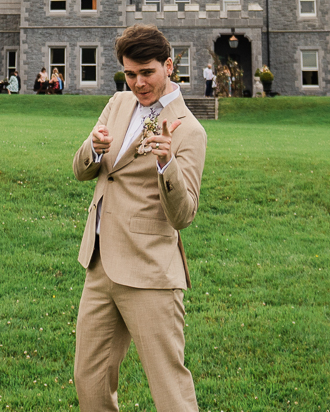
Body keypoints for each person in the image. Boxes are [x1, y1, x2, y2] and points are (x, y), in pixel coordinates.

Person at [70, 24, 209, 412]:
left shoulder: (190, 131)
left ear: (168, 66)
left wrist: (166, 164)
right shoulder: (117, 104)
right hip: (99, 264)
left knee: (169, 387)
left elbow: (183, 215)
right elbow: (84, 171)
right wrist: (93, 149)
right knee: (89, 378)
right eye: (130, 74)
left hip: (149, 271)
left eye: (146, 72)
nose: (138, 83)